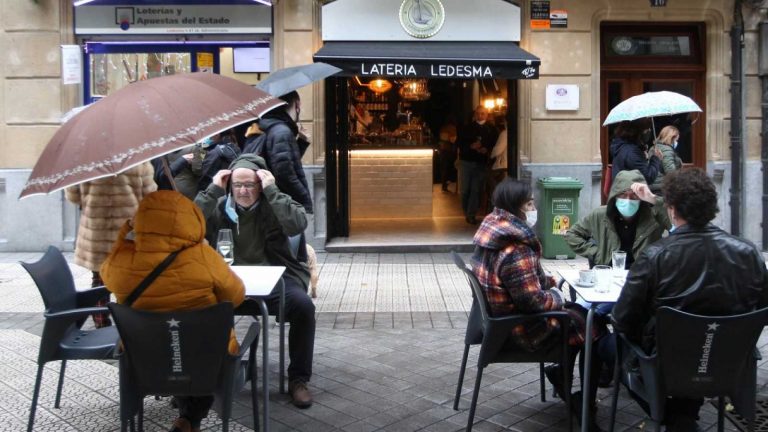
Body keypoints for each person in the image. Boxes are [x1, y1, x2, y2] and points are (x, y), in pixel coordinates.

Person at [612, 168, 768, 432]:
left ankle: (673, 415)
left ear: (671, 210)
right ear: (712, 208)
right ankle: (683, 414)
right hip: (727, 364)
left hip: (665, 367)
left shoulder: (656, 256)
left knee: (606, 346)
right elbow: (762, 311)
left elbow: (622, 319)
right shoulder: (748, 252)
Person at [100, 190, 245, 432]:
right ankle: (189, 419)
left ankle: (185, 414)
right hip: (206, 364)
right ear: (191, 218)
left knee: (174, 348)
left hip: (145, 363)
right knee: (199, 348)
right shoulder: (204, 256)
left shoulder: (122, 262)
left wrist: (126, 231)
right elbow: (236, 297)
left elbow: (106, 273)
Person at [471, 179, 609, 431]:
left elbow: (517, 282)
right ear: (516, 208)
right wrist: (556, 294)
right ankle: (584, 405)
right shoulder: (514, 249)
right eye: (530, 203)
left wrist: (548, 280)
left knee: (578, 316)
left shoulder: (492, 235)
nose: (534, 208)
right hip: (522, 329)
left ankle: (562, 377)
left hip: (501, 323)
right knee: (593, 326)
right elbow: (532, 301)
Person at [193, 154, 316, 409]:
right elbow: (188, 224)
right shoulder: (219, 208)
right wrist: (213, 188)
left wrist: (273, 190)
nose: (243, 191)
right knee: (196, 305)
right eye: (237, 185)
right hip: (230, 282)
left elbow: (298, 224)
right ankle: (201, 379)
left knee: (304, 307)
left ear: (260, 184)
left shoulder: (274, 205)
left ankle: (298, 379)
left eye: (249, 185)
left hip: (274, 280)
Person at [65, 162, 156, 328]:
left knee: (99, 282)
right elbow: (150, 195)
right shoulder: (137, 160)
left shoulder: (82, 164)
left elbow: (73, 197)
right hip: (128, 233)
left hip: (96, 234)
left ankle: (101, 324)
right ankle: (131, 326)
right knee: (131, 282)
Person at [246, 90, 313, 214]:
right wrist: (304, 199)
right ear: (297, 105)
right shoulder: (282, 131)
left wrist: (301, 142)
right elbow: (284, 173)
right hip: (282, 205)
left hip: (269, 202)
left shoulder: (267, 125)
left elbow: (282, 160)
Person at [457, 106, 498, 224]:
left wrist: (486, 149)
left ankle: (471, 214)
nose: (481, 116)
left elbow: (494, 144)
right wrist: (470, 146)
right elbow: (459, 143)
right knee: (465, 190)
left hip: (481, 163)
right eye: (479, 113)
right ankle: (466, 211)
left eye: (483, 113)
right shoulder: (466, 128)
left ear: (487, 114)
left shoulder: (492, 129)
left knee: (476, 189)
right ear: (475, 114)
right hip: (466, 161)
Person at [610, 120, 662, 185]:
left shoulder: (622, 146)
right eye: (646, 129)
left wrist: (643, 156)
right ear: (638, 131)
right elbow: (648, 177)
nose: (649, 131)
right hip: (630, 191)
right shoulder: (632, 152)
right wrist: (656, 159)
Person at [648, 125, 683, 194]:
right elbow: (671, 172)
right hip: (661, 187)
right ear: (671, 138)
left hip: (653, 185)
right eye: (676, 140)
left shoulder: (654, 147)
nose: (677, 142)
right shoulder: (667, 150)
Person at [437, 119, 458, 192]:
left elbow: (442, 137)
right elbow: (452, 139)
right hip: (448, 150)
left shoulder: (443, 128)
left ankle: (444, 185)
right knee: (449, 168)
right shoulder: (452, 128)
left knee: (443, 169)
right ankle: (447, 184)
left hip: (442, 150)